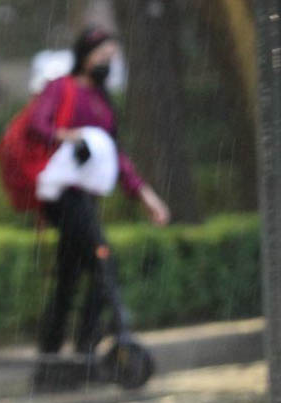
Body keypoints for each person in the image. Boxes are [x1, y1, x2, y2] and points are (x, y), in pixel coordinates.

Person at [28, 26, 170, 362]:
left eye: (111, 57)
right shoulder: (62, 88)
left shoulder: (103, 100)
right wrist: (68, 136)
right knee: (104, 262)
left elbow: (116, 155)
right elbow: (37, 124)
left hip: (86, 197)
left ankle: (52, 352)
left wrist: (146, 196)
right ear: (85, 56)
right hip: (63, 194)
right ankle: (86, 344)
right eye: (101, 56)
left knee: (70, 273)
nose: (106, 63)